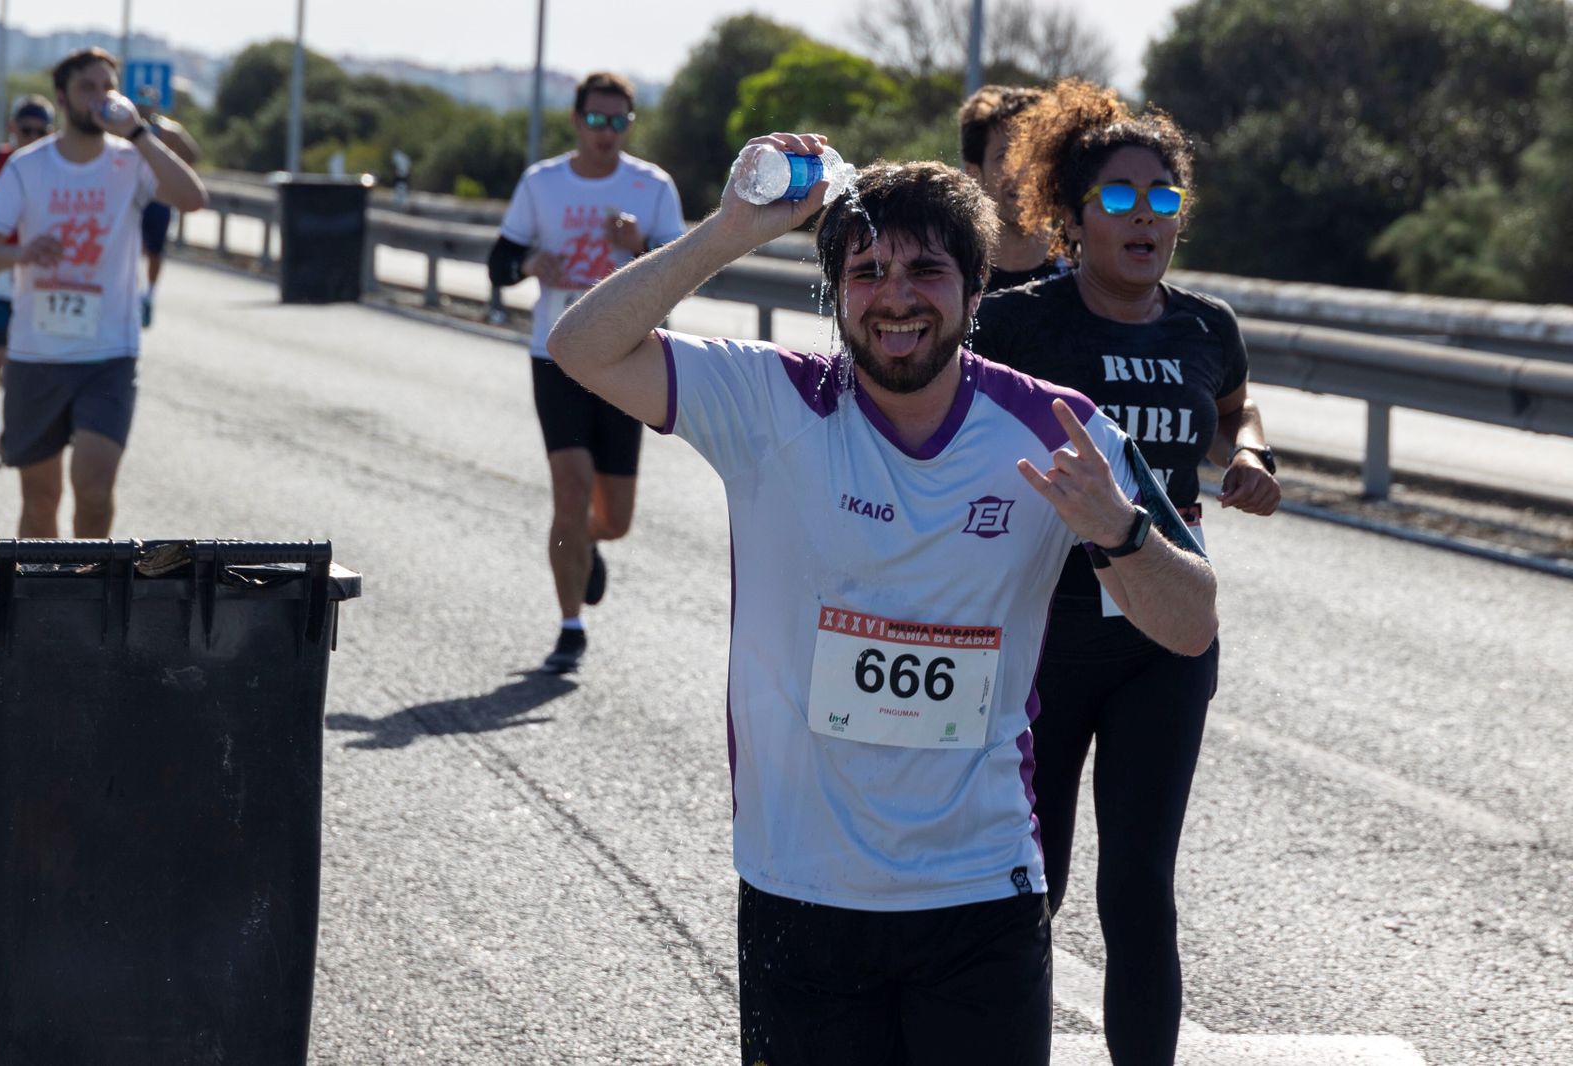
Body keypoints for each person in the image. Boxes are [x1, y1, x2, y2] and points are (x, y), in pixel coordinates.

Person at [548, 132, 1219, 1065]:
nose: (896, 296)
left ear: (976, 290)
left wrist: (1122, 531)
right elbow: (577, 344)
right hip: (799, 890)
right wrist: (734, 230)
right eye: (866, 272)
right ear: (834, 294)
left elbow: (1192, 625)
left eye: (926, 271)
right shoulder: (769, 403)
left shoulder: (1061, 430)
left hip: (981, 890)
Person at [968, 78, 1282, 1066]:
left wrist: (1253, 457)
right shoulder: (1017, 324)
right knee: (1035, 881)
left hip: (1164, 637)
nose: (1142, 216)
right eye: (1116, 197)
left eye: (1160, 197)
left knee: (1139, 887)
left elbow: (1237, 409)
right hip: (1041, 636)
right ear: (1069, 214)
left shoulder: (1204, 325)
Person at [486, 71, 685, 674]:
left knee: (616, 518)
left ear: (630, 123)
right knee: (569, 489)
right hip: (558, 354)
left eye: (618, 121)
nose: (606, 132)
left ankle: (589, 542)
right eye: (596, 120)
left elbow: (684, 271)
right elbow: (498, 263)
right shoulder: (542, 183)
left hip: (628, 356)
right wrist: (528, 263)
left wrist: (643, 241)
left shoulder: (652, 188)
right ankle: (570, 627)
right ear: (576, 120)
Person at [0, 47, 207, 537]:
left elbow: (192, 198)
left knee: (95, 490)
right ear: (62, 97)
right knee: (41, 499)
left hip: (108, 355)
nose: (101, 98)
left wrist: (140, 132)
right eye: (88, 88)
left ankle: (90, 605)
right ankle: (41, 607)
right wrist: (23, 254)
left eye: (108, 87)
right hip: (37, 353)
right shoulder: (27, 167)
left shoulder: (132, 161)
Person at [0, 96, 58, 458]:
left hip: (37, 281)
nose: (33, 137)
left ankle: (15, 422)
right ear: (12, 129)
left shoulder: (59, 169)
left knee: (20, 362)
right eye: (26, 130)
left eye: (42, 132)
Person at [959, 85, 1066, 291]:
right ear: (973, 173)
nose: (1024, 170)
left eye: (1035, 153)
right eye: (1006, 156)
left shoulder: (1090, 276)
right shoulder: (957, 284)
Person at [131, 84, 200, 329]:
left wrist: (171, 165)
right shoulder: (126, 129)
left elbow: (192, 153)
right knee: (134, 246)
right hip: (134, 197)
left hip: (159, 197)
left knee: (155, 250)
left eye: (148, 101)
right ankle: (135, 292)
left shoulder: (169, 130)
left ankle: (148, 294)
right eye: (141, 100)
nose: (144, 105)